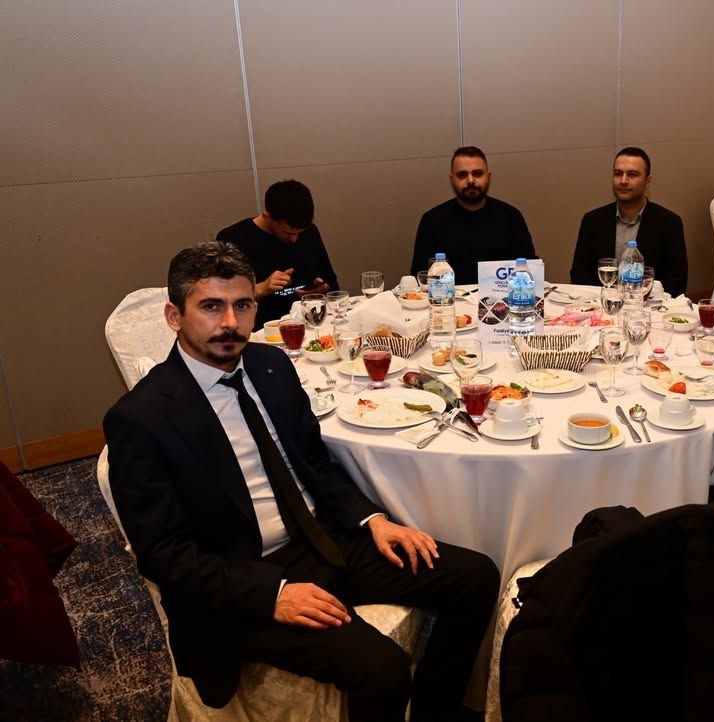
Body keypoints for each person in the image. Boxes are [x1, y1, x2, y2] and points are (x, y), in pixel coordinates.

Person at [103, 241, 498, 722]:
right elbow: (163, 555)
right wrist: (271, 595)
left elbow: (315, 463)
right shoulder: (141, 418)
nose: (230, 322)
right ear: (174, 316)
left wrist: (372, 520)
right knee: (382, 669)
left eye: (242, 305)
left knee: (475, 577)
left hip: (321, 538)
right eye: (211, 306)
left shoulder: (270, 366)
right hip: (241, 575)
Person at [217, 179, 339, 329]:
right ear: (267, 216)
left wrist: (321, 290)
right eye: (288, 233)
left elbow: (333, 284)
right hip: (261, 330)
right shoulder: (233, 239)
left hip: (309, 325)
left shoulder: (309, 232)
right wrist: (261, 288)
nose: (294, 239)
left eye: (299, 233)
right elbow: (222, 298)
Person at [569, 147, 688, 297]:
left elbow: (677, 283)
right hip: (600, 305)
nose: (623, 181)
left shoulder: (669, 223)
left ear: (647, 181)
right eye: (618, 174)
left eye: (632, 174)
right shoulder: (592, 221)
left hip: (647, 307)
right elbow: (578, 275)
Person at [410, 146, 534, 285]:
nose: (470, 180)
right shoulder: (431, 221)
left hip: (503, 297)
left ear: (488, 176)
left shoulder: (511, 217)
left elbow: (531, 270)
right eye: (462, 175)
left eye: (477, 173)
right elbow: (419, 276)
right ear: (452, 179)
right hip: (448, 298)